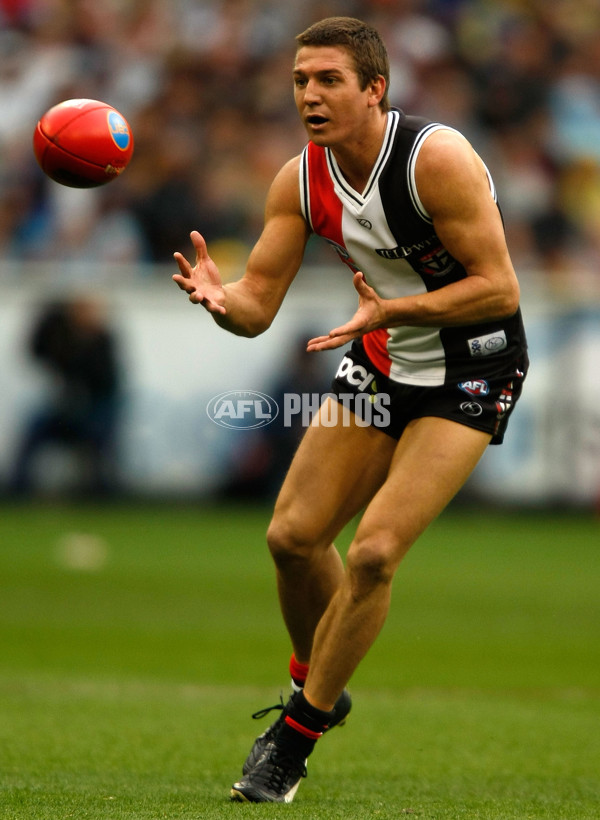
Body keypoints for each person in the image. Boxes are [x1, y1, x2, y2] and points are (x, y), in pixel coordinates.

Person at [173, 16, 528, 804]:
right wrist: (219, 301)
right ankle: (320, 677)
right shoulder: (298, 180)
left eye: (329, 80)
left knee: (372, 553)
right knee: (293, 539)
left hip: (472, 367)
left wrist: (393, 314)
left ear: (375, 89)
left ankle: (294, 738)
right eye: (301, 81)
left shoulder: (435, 159)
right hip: (382, 361)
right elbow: (258, 305)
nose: (310, 95)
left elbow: (501, 287)